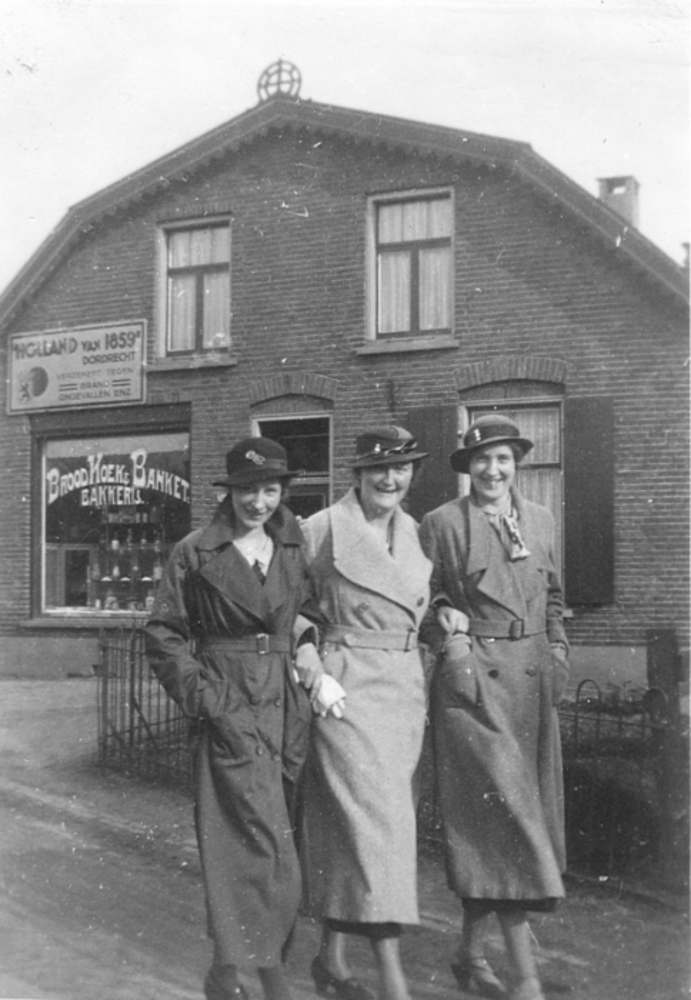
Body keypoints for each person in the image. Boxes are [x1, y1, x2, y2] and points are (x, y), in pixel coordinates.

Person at [145, 437, 320, 1000]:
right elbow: (164, 635)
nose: (259, 502)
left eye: (270, 490)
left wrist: (308, 644)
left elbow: (305, 610)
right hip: (229, 701)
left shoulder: (291, 548)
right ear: (229, 492)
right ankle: (262, 975)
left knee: (275, 842)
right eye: (248, 490)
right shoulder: (196, 552)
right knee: (251, 846)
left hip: (285, 706)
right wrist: (209, 700)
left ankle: (232, 969)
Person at [419, 414, 570, 1000]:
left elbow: (553, 595)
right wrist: (449, 634)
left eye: (503, 458)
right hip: (474, 687)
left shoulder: (541, 519)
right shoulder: (441, 524)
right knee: (510, 822)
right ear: (468, 467)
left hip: (531, 682)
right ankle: (526, 979)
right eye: (482, 459)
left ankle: (470, 952)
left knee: (502, 823)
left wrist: (558, 649)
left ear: (517, 464)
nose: (493, 469)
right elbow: (419, 600)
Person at [296, 426, 432, 1000]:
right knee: (378, 827)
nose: (390, 479)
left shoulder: (418, 533)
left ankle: (331, 959)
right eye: (379, 468)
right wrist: (310, 665)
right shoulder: (321, 528)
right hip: (344, 687)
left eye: (402, 468)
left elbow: (428, 602)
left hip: (403, 690)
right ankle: (392, 979)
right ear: (357, 473)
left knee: (359, 827)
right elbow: (285, 606)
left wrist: (450, 616)